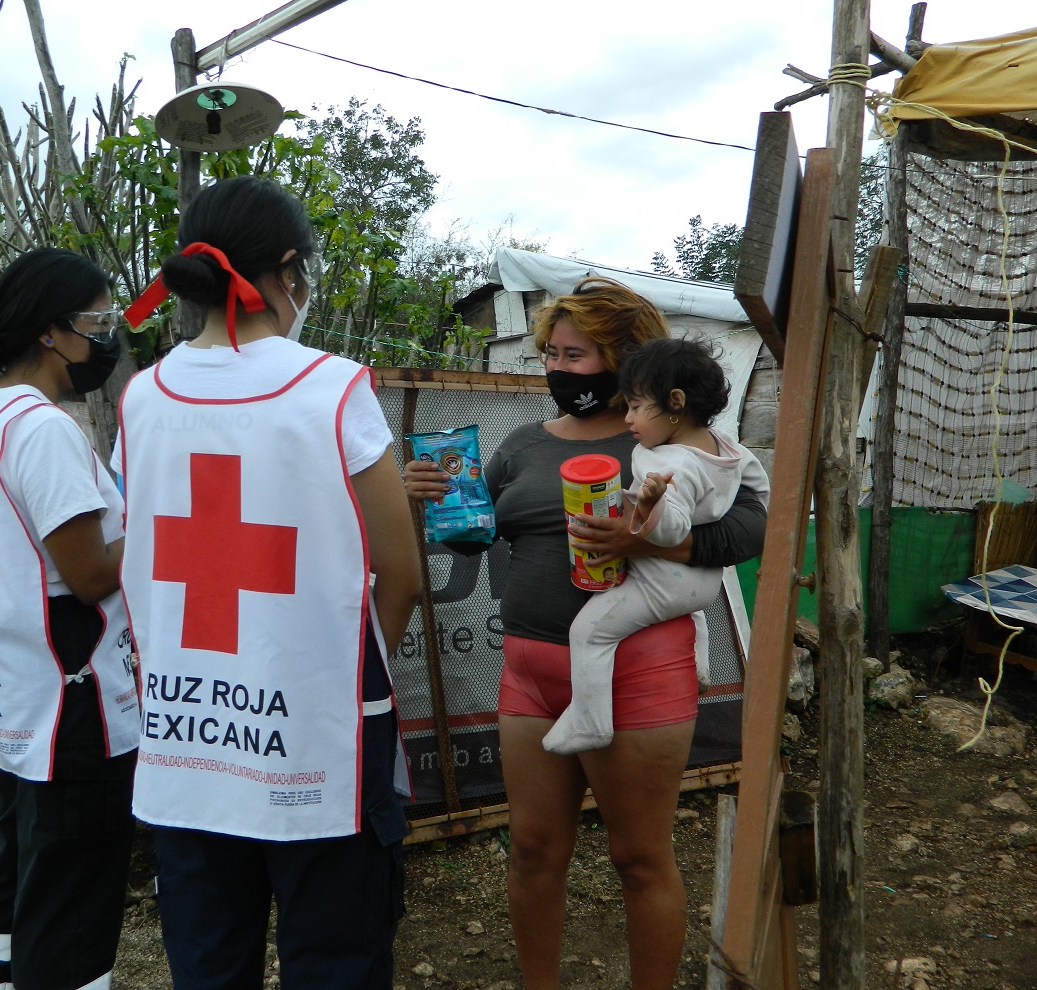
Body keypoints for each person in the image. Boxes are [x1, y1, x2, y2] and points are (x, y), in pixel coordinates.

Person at [402, 277, 767, 990]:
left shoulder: (674, 442)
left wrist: (650, 546)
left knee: (638, 858)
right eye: (553, 355)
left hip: (638, 665)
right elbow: (477, 539)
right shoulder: (521, 444)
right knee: (534, 851)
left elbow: (748, 527)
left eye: (577, 355)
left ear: (626, 358)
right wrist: (437, 495)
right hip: (531, 668)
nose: (558, 370)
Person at [114, 175, 422, 990]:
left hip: (185, 739)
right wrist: (336, 685)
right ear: (287, 272)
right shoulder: (331, 386)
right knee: (337, 960)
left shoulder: (141, 397)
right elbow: (399, 569)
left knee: (208, 962)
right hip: (319, 739)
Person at [0, 247, 139, 990]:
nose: (109, 333)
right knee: (73, 902)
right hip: (69, 709)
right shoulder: (46, 430)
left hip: (10, 700)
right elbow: (90, 574)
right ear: (54, 332)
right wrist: (157, 533)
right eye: (99, 319)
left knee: (18, 857)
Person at [544, 336, 771, 755]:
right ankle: (702, 667)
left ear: (675, 402)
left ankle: (590, 723)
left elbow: (670, 531)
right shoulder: (724, 447)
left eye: (634, 405)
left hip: (665, 582)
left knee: (589, 633)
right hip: (701, 584)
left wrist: (651, 506)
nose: (628, 418)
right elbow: (758, 484)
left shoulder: (668, 462)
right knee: (686, 609)